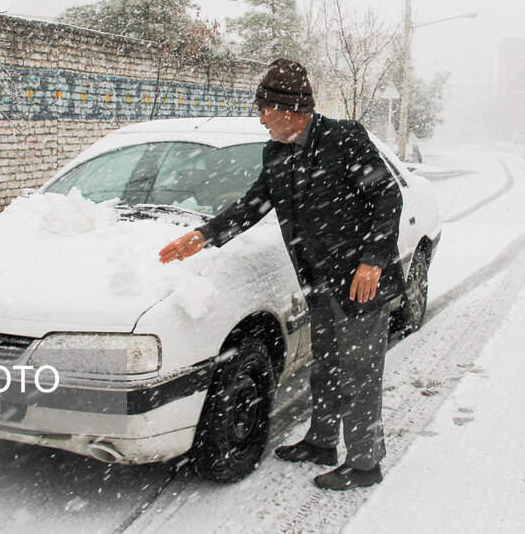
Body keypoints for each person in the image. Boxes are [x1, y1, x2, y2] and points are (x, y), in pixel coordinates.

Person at [158, 58, 405, 491]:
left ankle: (366, 463)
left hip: (361, 280)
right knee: (326, 364)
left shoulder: (343, 139)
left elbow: (388, 196)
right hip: (318, 282)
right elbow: (251, 207)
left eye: (265, 111)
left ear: (291, 109)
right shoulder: (276, 154)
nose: (261, 120)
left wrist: (373, 260)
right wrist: (203, 236)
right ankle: (323, 441)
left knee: (359, 371)